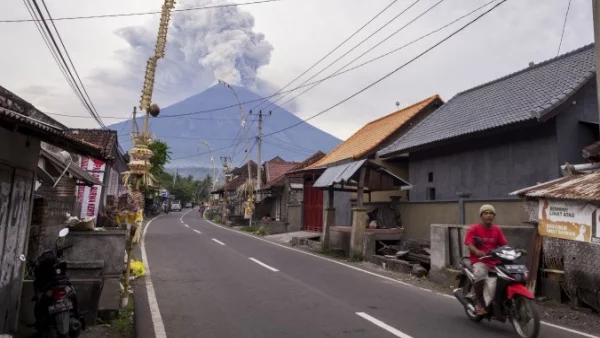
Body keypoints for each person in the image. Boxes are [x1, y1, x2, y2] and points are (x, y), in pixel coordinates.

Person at [464, 204, 508, 315]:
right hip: (480, 261)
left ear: (494, 215)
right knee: (480, 275)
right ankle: (479, 303)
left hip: (494, 262)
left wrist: (511, 251)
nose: (488, 215)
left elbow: (504, 245)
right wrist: (477, 252)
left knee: (506, 277)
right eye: (486, 213)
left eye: (491, 213)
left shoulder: (497, 230)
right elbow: (469, 243)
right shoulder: (474, 229)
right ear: (481, 215)